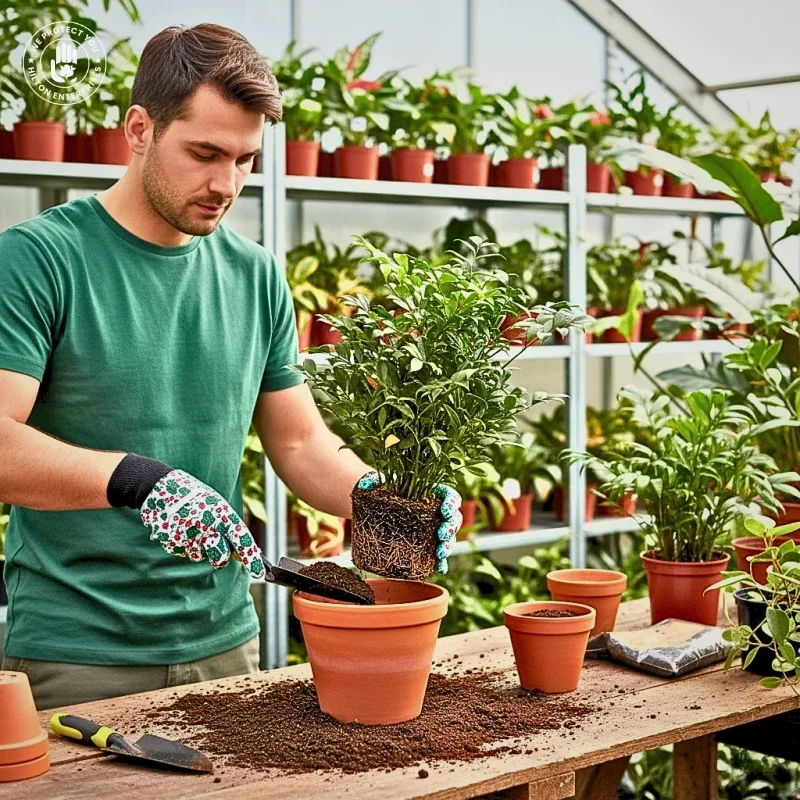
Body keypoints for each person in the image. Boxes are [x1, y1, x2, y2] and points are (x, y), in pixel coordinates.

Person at [0, 23, 459, 710]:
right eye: (205, 153)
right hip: (77, 654)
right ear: (138, 130)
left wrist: (376, 497)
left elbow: (300, 442)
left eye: (246, 159)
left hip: (225, 644)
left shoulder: (255, 275)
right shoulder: (39, 260)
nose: (227, 184)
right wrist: (134, 480)